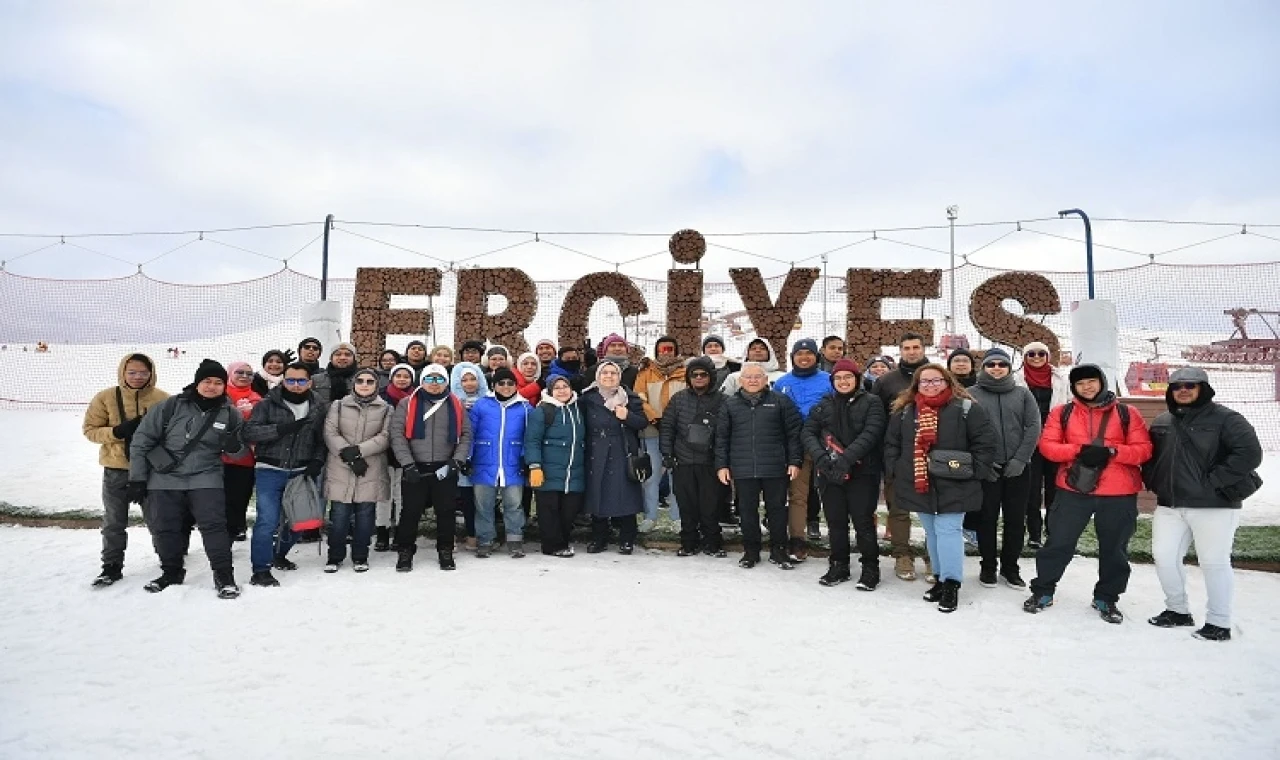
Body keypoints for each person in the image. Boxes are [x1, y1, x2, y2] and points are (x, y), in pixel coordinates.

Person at [1024, 364, 1153, 624]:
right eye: (1081, 383)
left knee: (1114, 549)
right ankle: (1043, 590)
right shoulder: (1062, 413)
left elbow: (1144, 449)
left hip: (1118, 492)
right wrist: (1078, 450)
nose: (1087, 387)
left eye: (1092, 381)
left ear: (1102, 382)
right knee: (1058, 542)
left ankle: (1107, 597)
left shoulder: (1128, 413)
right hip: (1074, 489)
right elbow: (1048, 446)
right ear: (1073, 387)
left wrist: (1112, 452)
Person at [1143, 367, 1263, 642]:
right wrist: (1152, 479)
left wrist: (1213, 481)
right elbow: (1152, 456)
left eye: (1190, 385)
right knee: (1164, 557)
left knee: (1214, 562)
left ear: (1203, 388)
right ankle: (1177, 610)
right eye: (1176, 386)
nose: (1183, 390)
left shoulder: (1227, 419)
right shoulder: (1163, 420)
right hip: (1170, 505)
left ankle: (1219, 622)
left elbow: (1250, 454)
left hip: (1214, 505)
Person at [128, 360, 246, 598]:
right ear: (197, 382)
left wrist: (234, 446)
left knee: (214, 527)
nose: (212, 387)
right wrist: (137, 479)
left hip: (206, 476)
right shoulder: (170, 406)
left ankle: (224, 576)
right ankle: (171, 572)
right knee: (165, 527)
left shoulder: (230, 414)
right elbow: (142, 441)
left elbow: (241, 451)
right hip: (164, 477)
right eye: (207, 381)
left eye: (218, 382)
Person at [883, 364, 997, 612]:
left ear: (947, 382)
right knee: (932, 532)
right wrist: (898, 468)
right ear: (916, 385)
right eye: (925, 382)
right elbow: (892, 443)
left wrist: (974, 472)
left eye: (936, 380)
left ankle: (951, 583)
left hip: (956, 482)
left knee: (948, 531)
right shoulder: (906, 411)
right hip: (919, 481)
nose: (930, 385)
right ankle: (939, 577)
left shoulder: (967, 409)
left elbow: (985, 444)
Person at [83, 352, 168, 587]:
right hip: (116, 469)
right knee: (114, 521)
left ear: (151, 373)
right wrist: (117, 432)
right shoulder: (105, 397)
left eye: (143, 372)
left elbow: (175, 434)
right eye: (132, 372)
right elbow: (90, 430)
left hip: (152, 471)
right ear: (123, 372)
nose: (138, 377)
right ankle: (111, 566)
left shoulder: (163, 399)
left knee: (158, 519)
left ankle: (169, 561)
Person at [802, 359, 887, 589]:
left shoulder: (872, 402)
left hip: (862, 472)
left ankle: (870, 568)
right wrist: (821, 458)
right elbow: (809, 432)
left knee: (863, 522)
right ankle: (839, 564)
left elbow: (872, 433)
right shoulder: (823, 404)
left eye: (848, 377)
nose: (843, 381)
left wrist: (846, 459)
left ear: (857, 379)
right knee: (835, 521)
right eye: (838, 378)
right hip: (828, 472)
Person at [242, 362, 327, 587]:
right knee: (267, 521)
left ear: (309, 382)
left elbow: (321, 439)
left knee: (302, 520)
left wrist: (317, 460)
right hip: (270, 470)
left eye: (301, 380)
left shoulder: (319, 405)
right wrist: (281, 429)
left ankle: (278, 553)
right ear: (284, 380)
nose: (296, 385)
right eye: (290, 380)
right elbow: (249, 432)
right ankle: (260, 569)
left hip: (301, 470)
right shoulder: (268, 404)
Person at [716, 362, 803, 570]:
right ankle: (751, 552)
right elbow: (721, 438)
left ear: (766, 380)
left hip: (775, 467)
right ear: (740, 381)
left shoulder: (781, 402)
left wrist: (794, 461)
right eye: (748, 377)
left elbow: (793, 434)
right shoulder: (730, 405)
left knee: (777, 511)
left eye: (758, 377)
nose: (753, 380)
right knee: (747, 511)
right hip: (743, 468)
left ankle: (779, 551)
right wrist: (722, 465)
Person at [967, 348, 1042, 588]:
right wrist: (982, 464)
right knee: (986, 519)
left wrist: (1021, 459)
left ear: (1009, 368)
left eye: (1002, 364)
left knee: (1015, 519)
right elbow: (965, 431)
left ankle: (1011, 568)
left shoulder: (1022, 394)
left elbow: (1033, 426)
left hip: (1018, 469)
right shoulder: (970, 394)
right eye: (991, 364)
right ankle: (988, 566)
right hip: (987, 469)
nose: (996, 368)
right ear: (984, 368)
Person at [389, 363, 473, 572]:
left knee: (446, 511)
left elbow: (465, 435)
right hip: (415, 466)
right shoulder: (407, 404)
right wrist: (407, 464)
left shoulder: (456, 404)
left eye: (439, 379)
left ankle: (445, 549)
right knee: (410, 511)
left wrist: (457, 461)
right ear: (422, 380)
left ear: (445, 381)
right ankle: (405, 550)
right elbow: (397, 435)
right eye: (429, 379)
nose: (434, 384)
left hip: (445, 466)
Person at [872, 331, 932, 581]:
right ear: (900, 351)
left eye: (916, 347)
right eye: (906, 348)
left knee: (934, 509)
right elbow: (875, 417)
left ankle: (933, 556)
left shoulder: (936, 374)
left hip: (932, 452)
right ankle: (901, 554)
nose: (912, 351)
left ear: (923, 348)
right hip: (897, 452)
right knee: (898, 507)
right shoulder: (887, 381)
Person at [323, 368, 392, 573]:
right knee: (339, 516)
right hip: (341, 467)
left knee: (365, 515)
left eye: (369, 381)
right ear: (353, 384)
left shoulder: (386, 408)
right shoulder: (338, 405)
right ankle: (334, 556)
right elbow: (330, 432)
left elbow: (386, 436)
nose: (364, 384)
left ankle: (360, 555)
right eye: (360, 380)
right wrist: (348, 455)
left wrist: (360, 451)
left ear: (376, 385)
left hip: (369, 467)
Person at [660, 356, 727, 556]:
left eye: (703, 374)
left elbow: (726, 432)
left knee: (711, 506)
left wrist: (722, 459)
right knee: (686, 505)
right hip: (683, 460)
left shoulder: (723, 400)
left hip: (710, 461)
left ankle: (712, 542)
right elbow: (667, 427)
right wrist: (667, 454)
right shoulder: (679, 399)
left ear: (711, 377)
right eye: (694, 374)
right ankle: (689, 542)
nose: (698, 378)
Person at [580, 359, 648, 554]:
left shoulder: (630, 398)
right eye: (605, 373)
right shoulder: (587, 398)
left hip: (622, 450)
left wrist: (627, 416)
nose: (609, 376)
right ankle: (599, 538)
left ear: (619, 376)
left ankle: (627, 538)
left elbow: (642, 423)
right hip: (596, 451)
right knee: (597, 494)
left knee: (624, 495)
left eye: (613, 373)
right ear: (598, 376)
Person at [773, 338, 831, 559]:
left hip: (826, 443)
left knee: (833, 492)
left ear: (817, 356)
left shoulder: (829, 380)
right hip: (797, 445)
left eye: (809, 353)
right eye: (799, 353)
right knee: (798, 494)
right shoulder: (782, 383)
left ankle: (838, 535)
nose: (804, 357)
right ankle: (797, 539)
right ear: (793, 357)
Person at [469, 367, 532, 558]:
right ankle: (485, 539)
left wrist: (526, 458)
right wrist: (468, 458)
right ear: (493, 385)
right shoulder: (481, 405)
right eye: (501, 383)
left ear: (516, 385)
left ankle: (515, 539)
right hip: (483, 462)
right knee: (483, 505)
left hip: (513, 464)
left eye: (510, 383)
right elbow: (469, 433)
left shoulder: (525, 407)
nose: (506, 387)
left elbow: (530, 436)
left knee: (513, 504)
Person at [1016, 340, 1071, 549]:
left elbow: (1070, 406)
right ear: (1025, 358)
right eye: (1031, 354)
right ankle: (1034, 533)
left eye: (1041, 354)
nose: (1036, 357)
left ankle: (1053, 531)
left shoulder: (1061, 380)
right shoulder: (1016, 380)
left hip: (1055, 440)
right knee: (1031, 489)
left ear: (1047, 356)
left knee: (1054, 489)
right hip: (1029, 442)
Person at [525, 374, 587, 556]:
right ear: (551, 391)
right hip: (548, 470)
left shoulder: (578, 408)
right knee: (549, 511)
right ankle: (552, 546)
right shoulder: (543, 411)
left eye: (565, 386)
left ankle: (563, 542)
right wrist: (534, 465)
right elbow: (532, 440)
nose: (562, 390)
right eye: (557, 387)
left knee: (568, 512)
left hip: (574, 471)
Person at [633, 335, 687, 533]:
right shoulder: (646, 372)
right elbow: (639, 398)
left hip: (679, 434)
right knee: (651, 476)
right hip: (651, 430)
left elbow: (688, 400)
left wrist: (674, 424)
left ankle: (677, 517)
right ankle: (650, 517)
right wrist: (654, 418)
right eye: (662, 349)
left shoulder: (685, 372)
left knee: (677, 477)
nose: (666, 353)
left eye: (670, 349)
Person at [375, 363, 416, 551]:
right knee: (383, 495)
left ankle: (401, 531)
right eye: (398, 375)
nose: (402, 379)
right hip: (383, 451)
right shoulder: (381, 397)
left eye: (406, 376)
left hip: (408, 452)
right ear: (391, 378)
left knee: (403, 495)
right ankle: (382, 531)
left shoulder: (417, 397)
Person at [449, 362, 490, 550]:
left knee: (482, 500)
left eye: (473, 378)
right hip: (460, 454)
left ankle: (479, 535)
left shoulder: (489, 401)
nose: (469, 383)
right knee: (463, 499)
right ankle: (464, 534)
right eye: (464, 380)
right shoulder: (452, 402)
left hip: (483, 455)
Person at [222, 361, 263, 542]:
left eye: (249, 373)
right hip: (217, 459)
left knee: (239, 498)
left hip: (244, 459)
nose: (244, 376)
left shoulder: (257, 399)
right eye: (240, 372)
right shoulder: (220, 395)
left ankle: (237, 527)